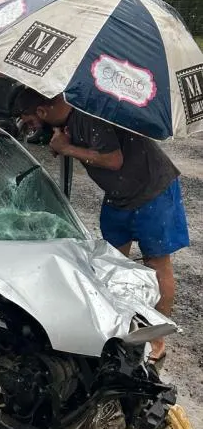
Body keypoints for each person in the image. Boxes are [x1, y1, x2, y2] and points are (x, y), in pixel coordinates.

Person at [13, 89, 189, 364]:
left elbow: (113, 159)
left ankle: (156, 339)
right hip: (118, 197)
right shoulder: (66, 119)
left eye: (27, 119)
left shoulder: (88, 114)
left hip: (153, 190)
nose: (27, 126)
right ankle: (121, 329)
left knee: (157, 264)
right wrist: (61, 140)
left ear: (42, 112)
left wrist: (67, 148)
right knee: (113, 263)